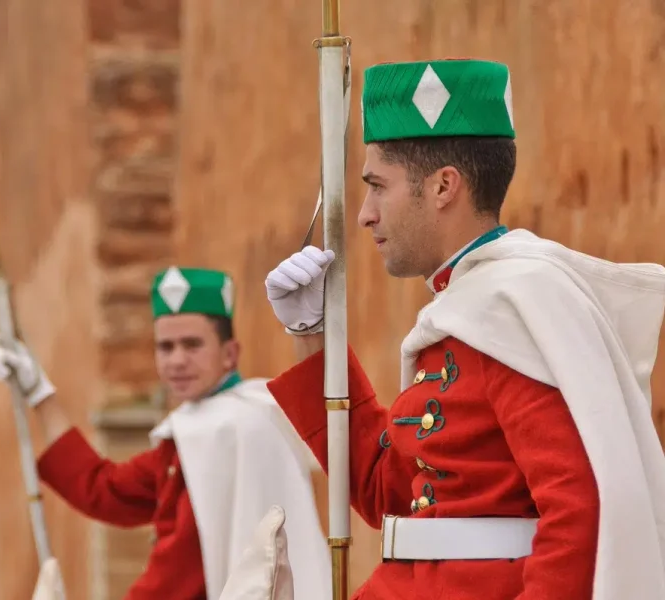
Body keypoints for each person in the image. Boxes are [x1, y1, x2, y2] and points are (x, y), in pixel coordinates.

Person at [263, 58, 665, 599]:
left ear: (443, 186)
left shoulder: (515, 306)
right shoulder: (468, 305)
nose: (365, 214)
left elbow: (580, 511)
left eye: (378, 186)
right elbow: (388, 490)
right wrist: (313, 336)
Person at [0, 266, 331, 600]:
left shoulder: (233, 427)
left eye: (192, 344)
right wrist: (40, 394)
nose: (177, 360)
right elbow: (105, 490)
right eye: (165, 347)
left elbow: (179, 571)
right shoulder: (194, 431)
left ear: (230, 354)